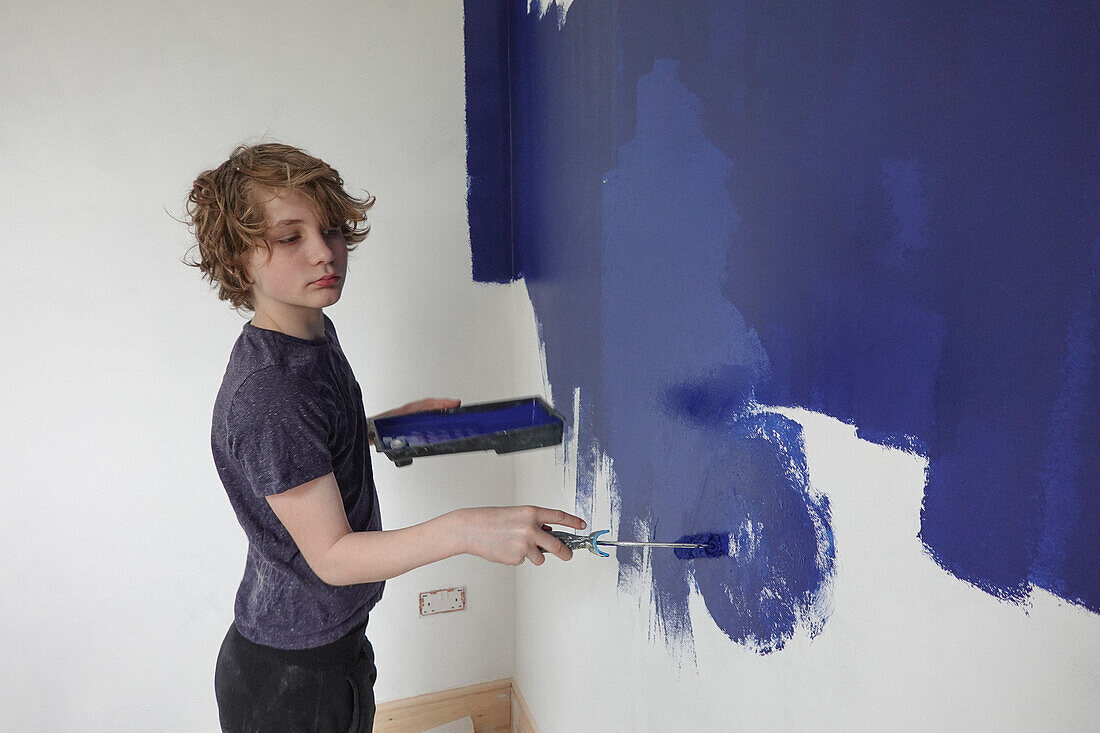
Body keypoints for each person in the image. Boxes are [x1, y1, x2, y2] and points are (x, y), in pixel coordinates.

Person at [185, 142, 585, 732]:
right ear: (239, 258)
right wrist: (466, 528)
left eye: (331, 230)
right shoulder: (273, 392)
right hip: (294, 680)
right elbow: (334, 557)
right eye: (291, 237)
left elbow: (305, 449)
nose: (325, 252)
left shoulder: (307, 335)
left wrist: (380, 428)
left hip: (326, 643)